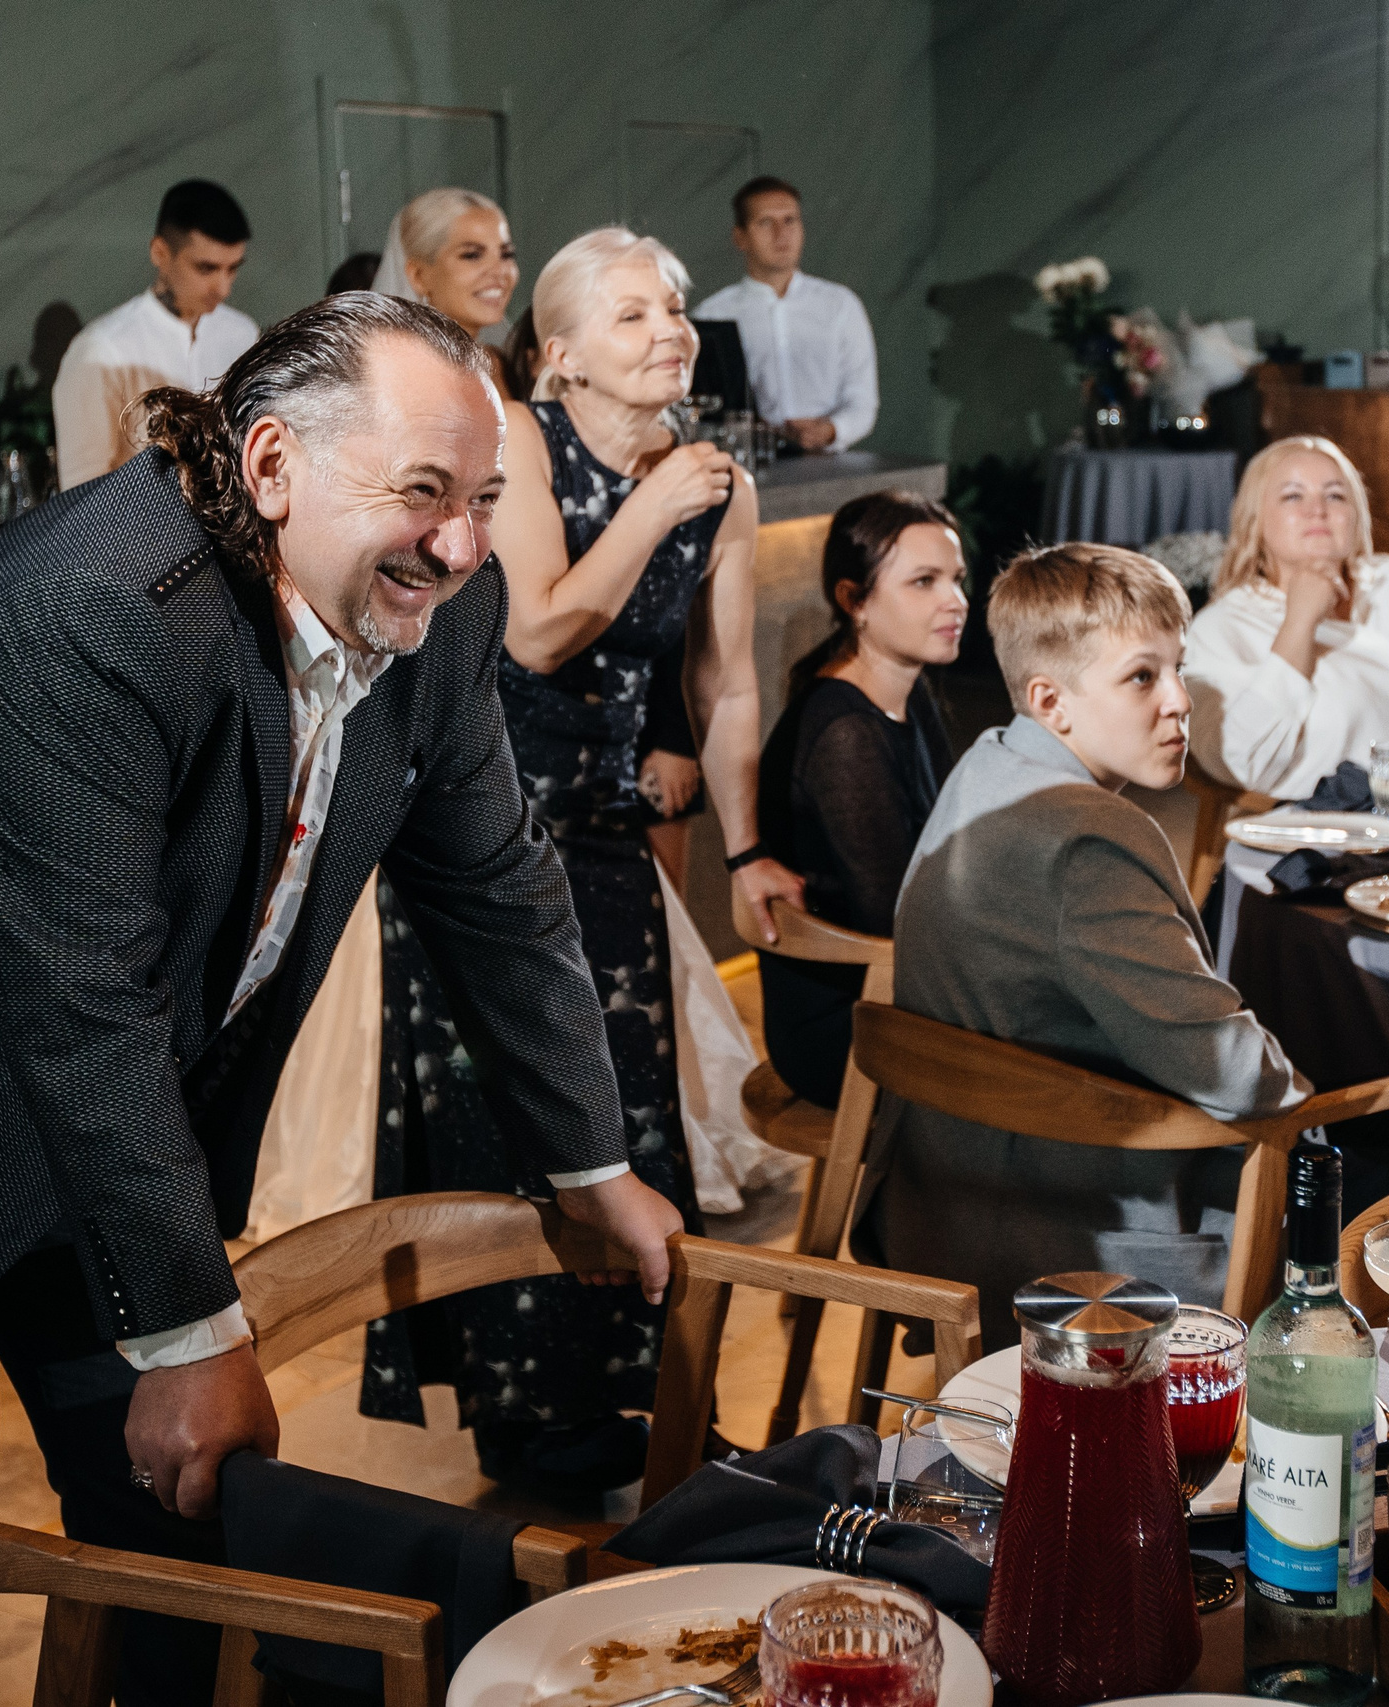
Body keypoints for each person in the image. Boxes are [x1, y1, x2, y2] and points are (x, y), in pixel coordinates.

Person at [0, 292, 683, 1707]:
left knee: (176, 1519)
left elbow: (496, 881)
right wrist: (192, 1331)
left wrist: (591, 1159)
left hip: (110, 1127)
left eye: (488, 497)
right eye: (425, 493)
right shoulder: (94, 605)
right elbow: (84, 1000)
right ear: (268, 466)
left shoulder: (445, 594)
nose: (465, 544)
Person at [366, 227, 803, 1494]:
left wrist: (751, 845)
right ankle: (532, 1423)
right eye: (632, 316)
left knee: (627, 1118)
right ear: (560, 356)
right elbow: (543, 628)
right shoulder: (513, 442)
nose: (670, 328)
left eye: (672, 308)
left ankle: (644, 1404)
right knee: (503, 1120)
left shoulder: (720, 483)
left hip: (604, 832)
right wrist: (656, 504)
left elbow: (723, 688)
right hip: (474, 831)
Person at [857, 542, 1308, 1350]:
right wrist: (1310, 1096)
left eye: (1178, 668)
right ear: (1049, 699)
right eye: (1142, 676)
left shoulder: (986, 766)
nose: (1179, 700)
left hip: (938, 1204)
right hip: (1077, 1243)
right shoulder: (1091, 841)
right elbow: (1241, 1077)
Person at [755, 490, 967, 1106]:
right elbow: (893, 919)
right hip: (851, 1021)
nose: (954, 601)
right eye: (923, 582)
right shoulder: (844, 730)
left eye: (956, 579)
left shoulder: (910, 688)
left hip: (903, 986)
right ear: (855, 601)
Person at [1183, 435, 1389, 798]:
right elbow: (1245, 762)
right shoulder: (1221, 629)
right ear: (1255, 520)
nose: (1318, 510)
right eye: (1293, 496)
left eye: (1335, 495)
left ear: (1355, 514)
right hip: (1333, 840)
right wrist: (1299, 622)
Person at [51, 180, 259, 488]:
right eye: (206, 269)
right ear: (160, 253)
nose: (223, 288)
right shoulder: (103, 352)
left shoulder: (242, 334)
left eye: (232, 269)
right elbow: (82, 494)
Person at [695, 176, 878, 452]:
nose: (781, 234)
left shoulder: (840, 305)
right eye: (766, 222)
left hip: (829, 466)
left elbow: (862, 399)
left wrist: (830, 430)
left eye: (790, 220)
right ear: (740, 237)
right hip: (747, 465)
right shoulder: (711, 315)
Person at [370, 187, 519, 385]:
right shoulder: (401, 379)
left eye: (506, 254)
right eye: (472, 255)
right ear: (418, 276)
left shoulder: (502, 367)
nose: (499, 271)